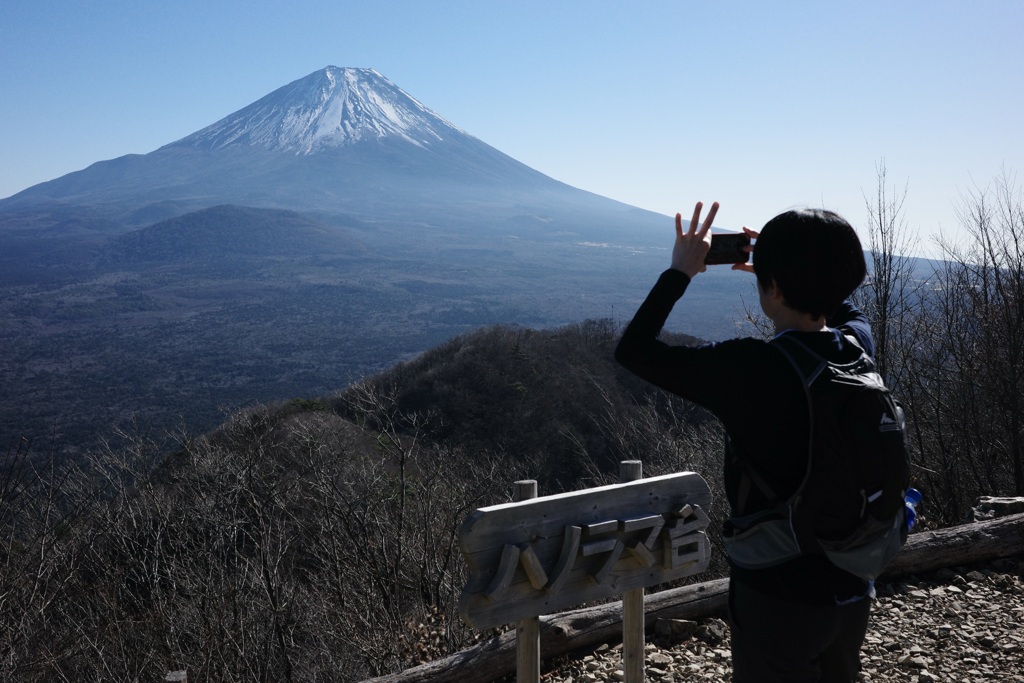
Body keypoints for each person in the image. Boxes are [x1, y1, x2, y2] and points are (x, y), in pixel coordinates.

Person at [615, 201, 873, 683]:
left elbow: (634, 350)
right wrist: (795, 273)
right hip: (853, 585)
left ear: (771, 287)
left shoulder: (752, 369)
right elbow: (847, 305)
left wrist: (681, 272)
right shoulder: (857, 350)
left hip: (779, 596)